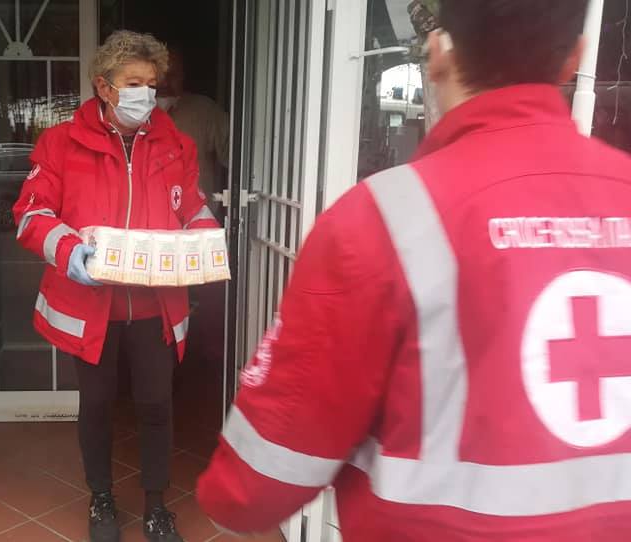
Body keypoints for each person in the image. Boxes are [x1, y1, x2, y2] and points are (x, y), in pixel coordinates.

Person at [197, 1, 631, 540]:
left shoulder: (384, 218)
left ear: (438, 52)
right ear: (576, 58)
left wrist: (224, 499)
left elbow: (258, 483)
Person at [13, 30, 219, 542]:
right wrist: (69, 251)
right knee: (98, 405)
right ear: (104, 87)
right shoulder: (60, 143)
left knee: (156, 405)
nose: (145, 94)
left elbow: (190, 206)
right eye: (133, 83)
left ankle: (156, 505)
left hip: (155, 307)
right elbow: (31, 213)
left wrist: (204, 237)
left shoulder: (176, 143)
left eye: (151, 83)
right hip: (91, 306)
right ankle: (101, 497)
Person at [156, 48, 230, 215]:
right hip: (146, 223)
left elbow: (238, 157)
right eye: (160, 74)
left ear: (183, 76)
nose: (165, 83)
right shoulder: (133, 114)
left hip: (197, 218)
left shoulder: (204, 111)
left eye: (173, 75)